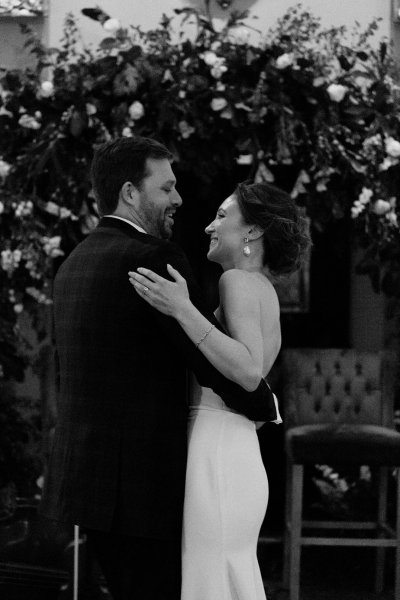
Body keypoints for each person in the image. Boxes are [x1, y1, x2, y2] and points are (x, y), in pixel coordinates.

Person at [39, 137, 281, 600]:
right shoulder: (152, 258)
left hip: (87, 485)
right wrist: (263, 403)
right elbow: (206, 365)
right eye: (167, 188)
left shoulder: (75, 261)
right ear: (131, 193)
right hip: (142, 491)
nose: (179, 200)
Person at [129, 180, 310, 600]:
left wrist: (181, 309)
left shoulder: (237, 282)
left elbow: (247, 373)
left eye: (223, 216)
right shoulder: (263, 290)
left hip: (217, 454)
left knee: (209, 583)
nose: (210, 226)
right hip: (237, 449)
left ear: (253, 232)